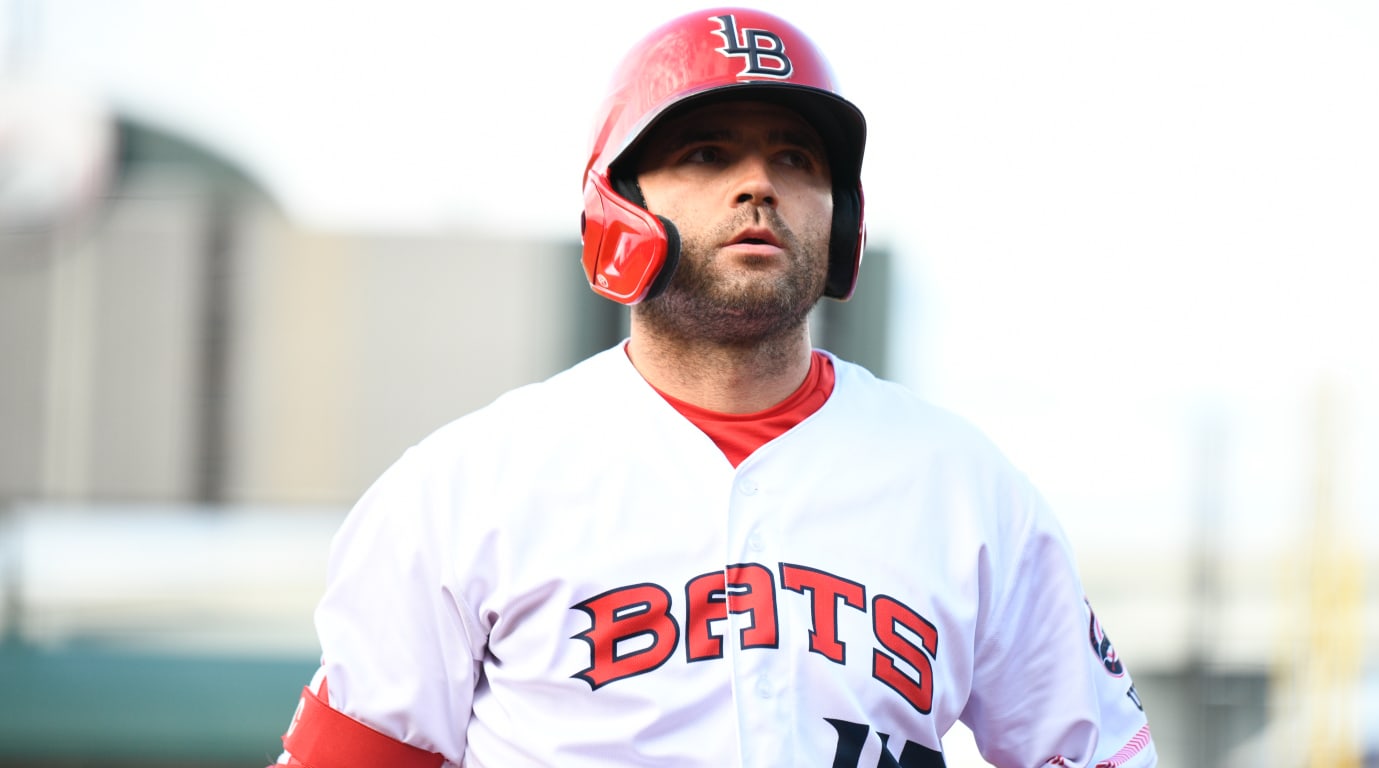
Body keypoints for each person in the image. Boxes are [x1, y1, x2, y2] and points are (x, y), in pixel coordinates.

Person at [270, 8, 1156, 768]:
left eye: (798, 159)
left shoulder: (967, 488)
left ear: (839, 214)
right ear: (618, 204)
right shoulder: (468, 486)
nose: (759, 185)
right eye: (705, 153)